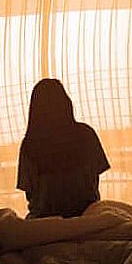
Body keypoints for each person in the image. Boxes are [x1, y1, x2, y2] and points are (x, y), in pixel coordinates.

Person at [17, 78, 111, 219]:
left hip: (44, 220)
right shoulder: (86, 135)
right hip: (86, 215)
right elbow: (95, 177)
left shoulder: (30, 145)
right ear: (66, 103)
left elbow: (29, 192)